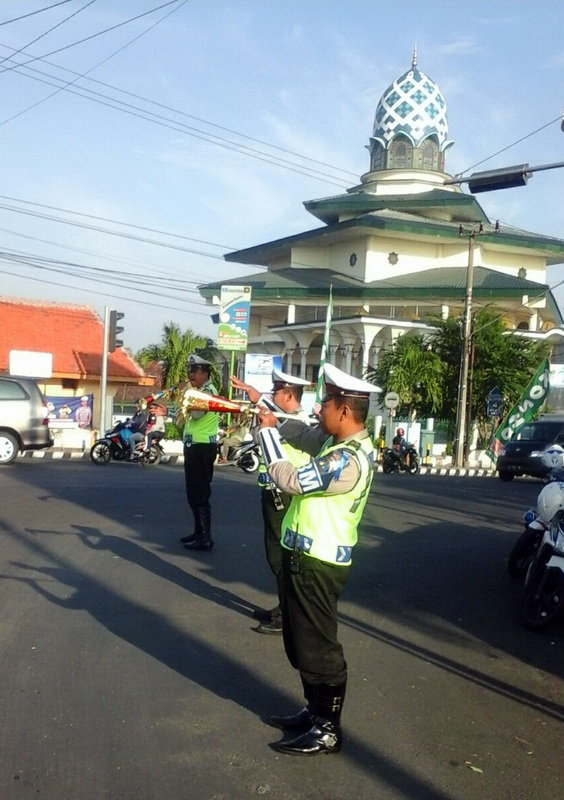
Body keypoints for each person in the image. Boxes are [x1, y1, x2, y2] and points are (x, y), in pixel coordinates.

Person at [257, 362, 378, 756]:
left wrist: (266, 435)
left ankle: (328, 728)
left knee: (318, 647)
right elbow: (305, 433)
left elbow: (290, 478)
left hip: (319, 563)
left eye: (326, 401)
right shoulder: (333, 444)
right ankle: (314, 710)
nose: (319, 408)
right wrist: (273, 418)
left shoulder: (347, 460)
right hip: (301, 556)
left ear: (344, 410)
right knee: (299, 643)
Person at [231, 368, 311, 634]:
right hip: (273, 493)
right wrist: (252, 394)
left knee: (281, 558)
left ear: (289, 394)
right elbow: (267, 412)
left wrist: (260, 407)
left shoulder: (298, 423)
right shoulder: (283, 417)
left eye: (276, 391)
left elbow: (277, 426)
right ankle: (284, 605)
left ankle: (289, 616)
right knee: (275, 555)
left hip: (283, 496)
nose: (272, 395)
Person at [179, 354, 220, 552]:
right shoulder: (198, 392)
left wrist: (189, 393)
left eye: (194, 371)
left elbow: (196, 414)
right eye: (190, 371)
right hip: (194, 446)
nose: (191, 375)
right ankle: (198, 532)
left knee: (200, 492)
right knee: (193, 492)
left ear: (205, 373)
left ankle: (205, 537)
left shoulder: (206, 393)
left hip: (202, 447)